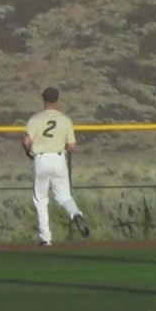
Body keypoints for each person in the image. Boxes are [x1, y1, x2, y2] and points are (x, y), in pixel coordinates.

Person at [22, 87, 90, 246]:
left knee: (41, 200)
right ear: (57, 100)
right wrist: (61, 148)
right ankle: (76, 214)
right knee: (65, 197)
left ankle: (45, 238)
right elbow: (72, 146)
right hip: (59, 158)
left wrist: (28, 151)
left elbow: (26, 141)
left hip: (41, 159)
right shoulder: (65, 120)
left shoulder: (35, 119)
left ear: (44, 100)